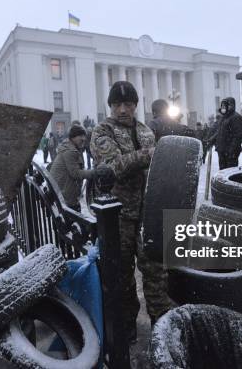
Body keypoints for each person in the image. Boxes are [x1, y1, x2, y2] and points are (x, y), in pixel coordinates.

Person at [90, 81, 175, 343]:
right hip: (119, 217)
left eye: (128, 104)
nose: (122, 109)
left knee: (156, 272)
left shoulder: (145, 131)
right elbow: (113, 165)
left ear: (136, 105)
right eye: (117, 104)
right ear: (111, 106)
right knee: (123, 275)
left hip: (148, 213)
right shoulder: (102, 131)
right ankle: (126, 328)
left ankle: (161, 325)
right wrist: (149, 154)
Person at [49, 125, 95, 212]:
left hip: (62, 193)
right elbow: (75, 173)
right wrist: (93, 173)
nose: (83, 139)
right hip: (66, 196)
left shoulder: (70, 148)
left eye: (84, 136)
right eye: (80, 136)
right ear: (73, 137)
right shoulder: (70, 151)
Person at [215, 97, 242, 169]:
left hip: (230, 153)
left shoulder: (236, 117)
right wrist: (212, 139)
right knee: (222, 173)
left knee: (230, 173)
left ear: (231, 106)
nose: (223, 108)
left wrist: (232, 151)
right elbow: (220, 132)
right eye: (222, 106)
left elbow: (238, 136)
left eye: (225, 106)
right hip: (222, 151)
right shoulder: (223, 118)